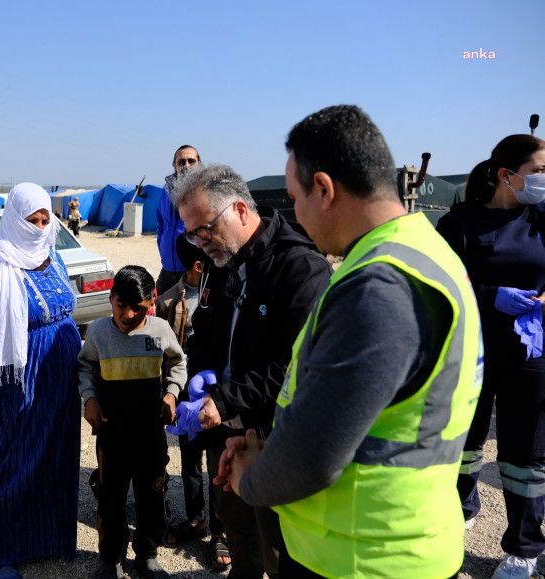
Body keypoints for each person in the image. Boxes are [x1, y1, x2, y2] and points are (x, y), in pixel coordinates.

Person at [215, 104, 483, 579]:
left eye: (294, 198)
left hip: (362, 557)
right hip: (380, 544)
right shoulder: (422, 252)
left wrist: (250, 478)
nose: (292, 213)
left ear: (324, 189)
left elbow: (314, 457)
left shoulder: (379, 286)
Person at [169, 163, 332, 579]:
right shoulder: (222, 262)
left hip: (275, 436)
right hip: (228, 432)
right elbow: (203, 333)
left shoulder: (299, 267)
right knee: (239, 531)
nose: (200, 243)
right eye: (191, 233)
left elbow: (293, 364)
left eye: (204, 229)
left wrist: (223, 399)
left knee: (281, 546)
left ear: (240, 210)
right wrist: (200, 376)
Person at [436, 134, 545, 579]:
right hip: (469, 351)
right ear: (506, 175)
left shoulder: (542, 219)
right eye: (539, 170)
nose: (544, 180)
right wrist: (487, 295)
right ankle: (460, 506)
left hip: (529, 353)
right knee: (463, 441)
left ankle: (524, 545)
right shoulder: (460, 223)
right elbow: (437, 285)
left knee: (525, 455)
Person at [0, 183, 81, 579]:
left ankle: (43, 539)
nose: (40, 226)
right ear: (15, 219)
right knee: (12, 462)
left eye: (45, 218)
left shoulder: (55, 257)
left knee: (54, 457)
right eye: (32, 219)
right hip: (17, 381)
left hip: (61, 379)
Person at [79, 266, 186, 579]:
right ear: (110, 298)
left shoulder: (160, 331)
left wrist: (171, 394)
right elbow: (85, 367)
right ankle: (110, 558)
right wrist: (90, 399)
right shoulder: (98, 332)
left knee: (151, 496)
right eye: (121, 305)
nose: (127, 315)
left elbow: (177, 366)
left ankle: (148, 555)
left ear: (151, 302)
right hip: (112, 434)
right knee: (110, 499)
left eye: (137, 308)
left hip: (150, 434)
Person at [155, 236, 229, 569]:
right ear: (199, 265)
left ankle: (220, 531)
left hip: (218, 397)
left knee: (218, 464)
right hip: (186, 399)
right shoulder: (169, 302)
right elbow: (162, 356)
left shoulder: (225, 297)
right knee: (189, 463)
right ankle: (197, 519)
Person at [156, 145, 200, 294]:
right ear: (174, 165)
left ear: (198, 163)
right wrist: (163, 248)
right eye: (181, 162)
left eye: (191, 161)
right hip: (167, 268)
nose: (186, 165)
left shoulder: (205, 191)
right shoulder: (166, 190)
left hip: (192, 271)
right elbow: (161, 222)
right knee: (162, 311)